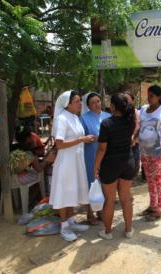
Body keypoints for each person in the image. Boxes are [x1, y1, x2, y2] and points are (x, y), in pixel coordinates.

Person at [49, 90, 95, 242]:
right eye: (76, 101)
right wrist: (81, 139)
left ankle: (70, 221)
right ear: (67, 104)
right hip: (66, 163)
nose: (80, 104)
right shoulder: (62, 119)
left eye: (80, 101)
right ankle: (64, 226)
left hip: (75, 161)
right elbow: (59, 144)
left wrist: (83, 139)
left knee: (72, 191)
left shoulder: (75, 117)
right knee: (64, 193)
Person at [94, 93, 136, 240]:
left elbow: (102, 149)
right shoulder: (130, 121)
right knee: (125, 198)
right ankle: (129, 230)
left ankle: (107, 232)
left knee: (110, 199)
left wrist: (95, 167)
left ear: (112, 106)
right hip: (128, 162)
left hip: (110, 165)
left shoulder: (106, 124)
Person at [138, 85, 161, 221]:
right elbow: (138, 127)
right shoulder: (143, 110)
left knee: (159, 180)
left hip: (158, 152)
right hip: (145, 151)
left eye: (152, 96)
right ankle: (152, 205)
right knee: (150, 179)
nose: (149, 98)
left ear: (159, 97)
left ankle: (159, 209)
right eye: (148, 95)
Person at [80, 92, 110, 225]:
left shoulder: (107, 116)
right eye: (93, 102)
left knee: (104, 182)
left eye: (98, 101)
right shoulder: (83, 118)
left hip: (107, 155)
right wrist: (93, 138)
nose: (96, 104)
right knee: (91, 183)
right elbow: (81, 138)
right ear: (88, 105)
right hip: (91, 154)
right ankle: (90, 213)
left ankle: (101, 211)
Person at [124, 91, 142, 181]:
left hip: (135, 143)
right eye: (124, 99)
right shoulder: (121, 113)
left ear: (133, 100)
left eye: (127, 99)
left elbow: (140, 127)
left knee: (136, 164)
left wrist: (134, 138)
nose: (125, 101)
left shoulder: (138, 113)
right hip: (124, 144)